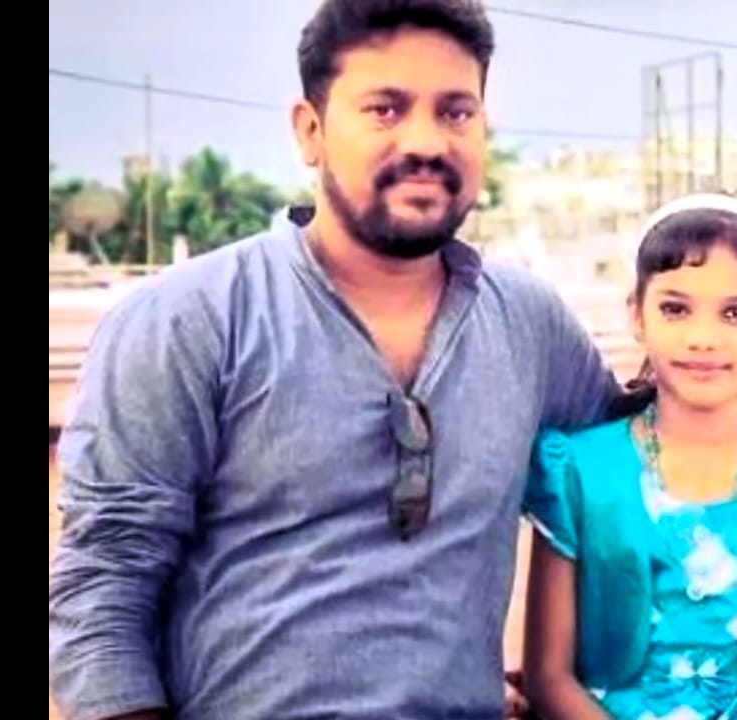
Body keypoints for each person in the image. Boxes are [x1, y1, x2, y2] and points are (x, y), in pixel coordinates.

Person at [47, 1, 617, 718]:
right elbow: (103, 585)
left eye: (455, 112)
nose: (426, 142)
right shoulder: (188, 320)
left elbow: (642, 471)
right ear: (310, 131)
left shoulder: (530, 324)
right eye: (384, 109)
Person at [520, 194, 737, 720]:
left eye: (736, 313)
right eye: (675, 309)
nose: (703, 338)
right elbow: (550, 677)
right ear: (638, 316)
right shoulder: (580, 473)